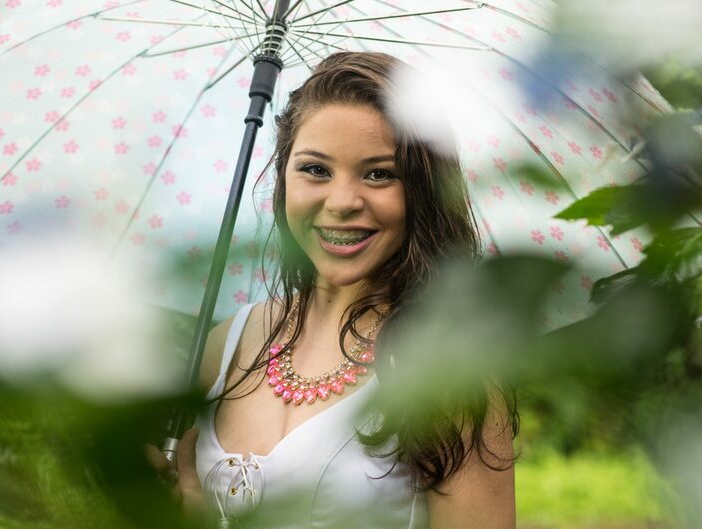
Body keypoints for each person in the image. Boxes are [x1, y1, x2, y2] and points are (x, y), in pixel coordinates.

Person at [154, 51, 518, 528]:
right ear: (283, 177)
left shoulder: (449, 377)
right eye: (316, 170)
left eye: (379, 173)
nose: (343, 202)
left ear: (424, 192)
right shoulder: (226, 343)